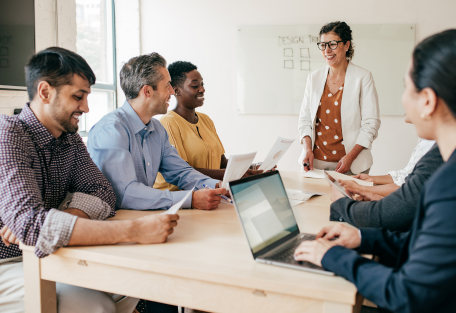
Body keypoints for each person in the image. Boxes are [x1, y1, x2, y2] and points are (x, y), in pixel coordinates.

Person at [294, 29, 456, 312]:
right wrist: (363, 238)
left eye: (406, 88)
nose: (403, 99)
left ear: (427, 100)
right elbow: (429, 243)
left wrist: (332, 257)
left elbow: (405, 294)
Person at [0, 47, 179, 313]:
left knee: (137, 282)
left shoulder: (69, 138)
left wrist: (52, 216)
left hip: (54, 251)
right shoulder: (9, 133)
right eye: (78, 97)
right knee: (94, 305)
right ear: (45, 92)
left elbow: (103, 192)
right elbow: (30, 225)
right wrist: (135, 230)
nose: (86, 107)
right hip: (10, 262)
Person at [88, 53, 226, 211]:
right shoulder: (111, 130)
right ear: (147, 91)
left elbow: (181, 171)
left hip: (143, 219)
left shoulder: (157, 130)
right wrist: (191, 199)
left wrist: (217, 185)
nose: (172, 92)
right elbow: (126, 194)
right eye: (167, 85)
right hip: (113, 223)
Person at [153, 61, 263, 191]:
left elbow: (222, 163)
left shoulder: (206, 120)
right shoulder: (168, 123)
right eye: (195, 85)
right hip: (181, 199)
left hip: (211, 193)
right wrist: (234, 175)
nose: (202, 89)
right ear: (176, 90)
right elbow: (182, 172)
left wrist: (251, 168)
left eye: (202, 84)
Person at [298, 21, 380, 174]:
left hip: (351, 164)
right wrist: (307, 149)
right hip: (315, 164)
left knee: (349, 199)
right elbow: (305, 119)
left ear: (347, 45)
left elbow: (371, 124)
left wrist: (350, 158)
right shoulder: (313, 78)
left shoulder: (363, 77)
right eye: (323, 45)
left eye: (333, 44)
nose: (327, 50)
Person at [329, 143, 442, 231]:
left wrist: (342, 203)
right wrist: (375, 189)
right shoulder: (434, 147)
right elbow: (407, 177)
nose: (405, 111)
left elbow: (392, 213)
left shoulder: (437, 156)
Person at [337, 114, 436, 197]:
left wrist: (361, 188)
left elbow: (407, 187)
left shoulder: (432, 145)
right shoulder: (426, 139)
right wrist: (372, 179)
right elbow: (407, 175)